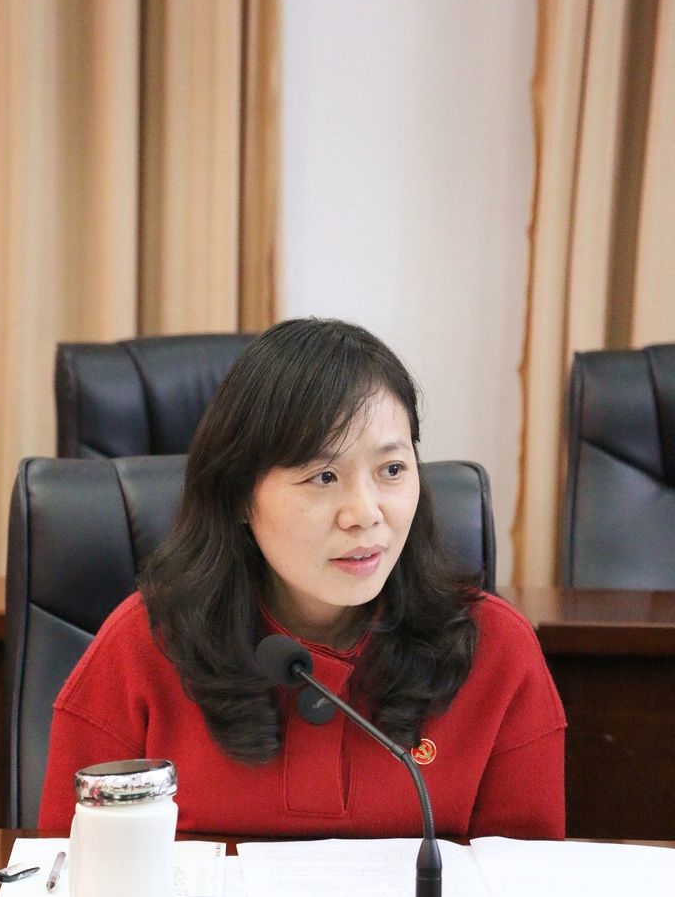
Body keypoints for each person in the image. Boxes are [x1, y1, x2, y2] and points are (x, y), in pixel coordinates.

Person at [39, 318, 565, 838]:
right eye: (324, 477)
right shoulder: (145, 645)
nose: (365, 514)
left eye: (392, 470)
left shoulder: (495, 651)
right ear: (239, 495)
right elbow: (68, 872)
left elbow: (527, 885)